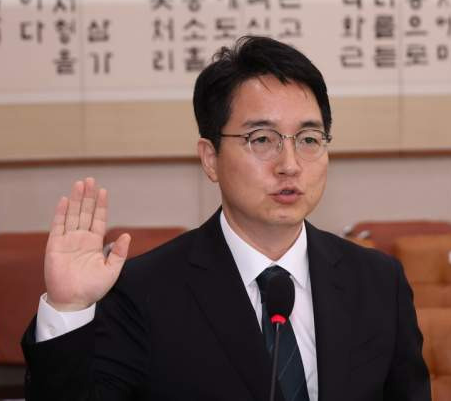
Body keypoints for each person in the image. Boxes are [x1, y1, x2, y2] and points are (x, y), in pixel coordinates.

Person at [22, 36, 430, 401]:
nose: (290, 164)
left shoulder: (378, 282)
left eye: (309, 139)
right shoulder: (144, 292)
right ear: (210, 158)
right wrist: (68, 308)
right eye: (262, 139)